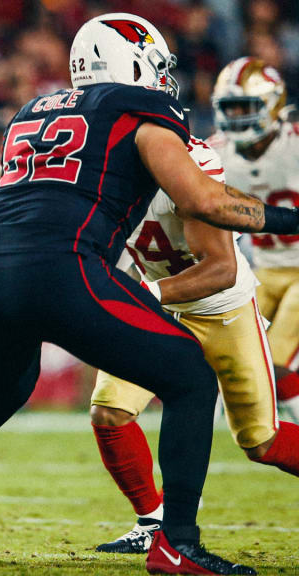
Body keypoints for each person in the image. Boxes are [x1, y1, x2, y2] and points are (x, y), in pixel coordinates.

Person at [0, 12, 299, 574]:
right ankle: (177, 542)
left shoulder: (32, 113)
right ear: (136, 63)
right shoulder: (142, 110)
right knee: (190, 376)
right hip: (62, 264)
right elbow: (207, 203)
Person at [90, 135, 299, 555]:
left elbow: (220, 268)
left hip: (220, 309)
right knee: (109, 412)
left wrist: (144, 295)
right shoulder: (101, 169)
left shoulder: (187, 164)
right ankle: (153, 520)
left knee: (261, 441)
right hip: (157, 306)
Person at [210, 57, 299, 422]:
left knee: (273, 359)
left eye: (246, 107)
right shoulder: (216, 153)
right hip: (263, 271)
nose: (238, 117)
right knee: (239, 355)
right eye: (230, 108)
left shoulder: (294, 145)